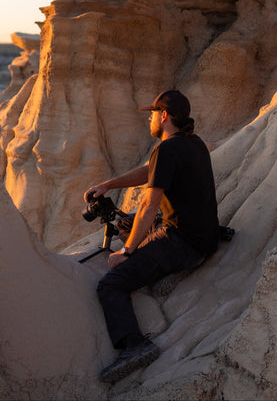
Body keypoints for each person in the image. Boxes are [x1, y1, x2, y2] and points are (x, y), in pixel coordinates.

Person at [84, 90, 219, 384]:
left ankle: (135, 346)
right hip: (206, 236)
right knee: (126, 223)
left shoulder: (166, 149)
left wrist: (128, 252)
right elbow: (151, 172)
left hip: (181, 242)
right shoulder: (191, 143)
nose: (149, 118)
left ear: (164, 116)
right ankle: (166, 267)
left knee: (111, 285)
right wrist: (108, 184)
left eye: (152, 113)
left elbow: (149, 203)